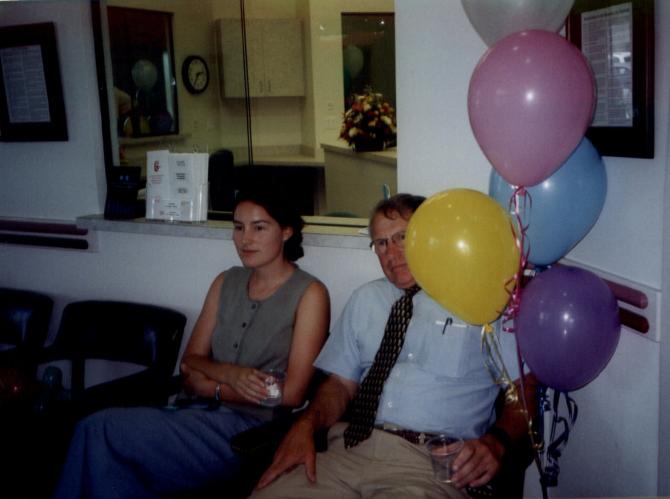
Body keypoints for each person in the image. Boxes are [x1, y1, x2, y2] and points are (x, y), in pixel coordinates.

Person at [253, 193, 536, 499]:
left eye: (403, 236)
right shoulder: (366, 299)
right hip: (347, 452)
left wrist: (497, 442)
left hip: (430, 466)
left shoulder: (483, 300)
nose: (392, 252)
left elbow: (525, 388)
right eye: (381, 243)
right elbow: (339, 385)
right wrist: (306, 424)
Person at [52, 188, 330, 498]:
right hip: (192, 414)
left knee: (100, 429)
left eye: (259, 227)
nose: (244, 239)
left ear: (287, 231)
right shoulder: (226, 281)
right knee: (109, 455)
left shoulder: (310, 294)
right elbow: (190, 360)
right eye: (238, 227)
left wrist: (207, 386)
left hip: (251, 433)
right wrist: (228, 374)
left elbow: (291, 393)